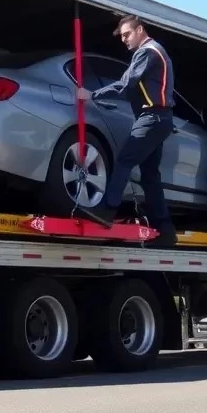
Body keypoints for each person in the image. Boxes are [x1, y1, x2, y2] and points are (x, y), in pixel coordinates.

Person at [75, 14, 178, 247]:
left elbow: (125, 84)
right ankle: (165, 230)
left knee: (124, 160)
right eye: (122, 36)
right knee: (150, 176)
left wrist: (92, 94)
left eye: (127, 34)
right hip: (160, 119)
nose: (124, 40)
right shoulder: (157, 51)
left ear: (140, 30)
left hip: (152, 118)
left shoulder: (147, 52)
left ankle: (106, 211)